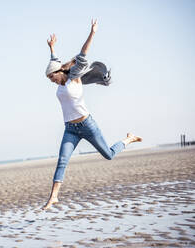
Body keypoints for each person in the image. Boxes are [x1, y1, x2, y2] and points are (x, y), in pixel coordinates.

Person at [43, 19, 142, 210]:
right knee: (62, 160)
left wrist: (93, 32)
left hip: (87, 125)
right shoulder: (60, 83)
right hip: (70, 129)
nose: (51, 81)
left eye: (51, 77)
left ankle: (128, 140)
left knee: (108, 155)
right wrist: (52, 49)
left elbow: (83, 53)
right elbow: (54, 63)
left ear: (59, 73)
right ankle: (53, 197)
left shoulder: (75, 78)